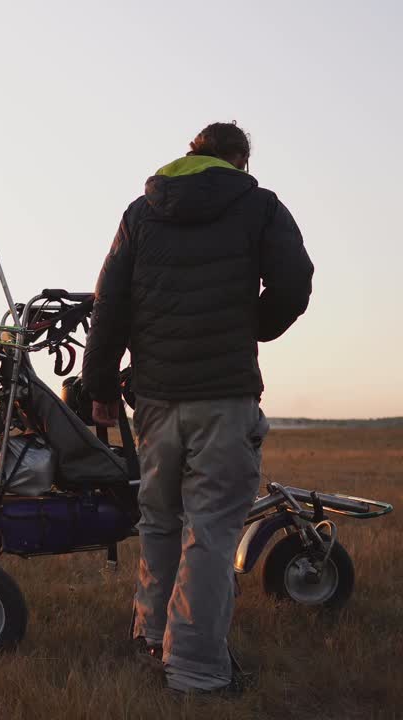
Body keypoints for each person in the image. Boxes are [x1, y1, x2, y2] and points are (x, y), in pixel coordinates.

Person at [81, 122, 313, 694]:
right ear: (238, 159)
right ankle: (195, 668)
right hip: (225, 397)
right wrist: (250, 327)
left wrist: (101, 387)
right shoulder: (257, 204)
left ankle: (150, 633)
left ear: (192, 154)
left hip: (155, 400)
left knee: (159, 520)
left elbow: (110, 303)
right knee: (210, 529)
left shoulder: (142, 212)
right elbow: (295, 284)